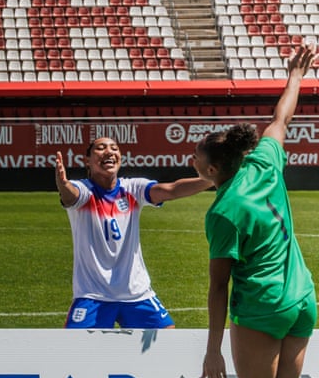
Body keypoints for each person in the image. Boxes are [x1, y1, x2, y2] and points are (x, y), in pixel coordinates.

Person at [198, 44, 317, 378]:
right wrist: (295, 77)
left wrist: (212, 349)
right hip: (302, 298)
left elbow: (218, 288)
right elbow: (281, 118)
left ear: (212, 171)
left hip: (263, 305)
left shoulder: (223, 211)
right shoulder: (264, 161)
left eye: (196, 160)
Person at [54, 137, 212, 329]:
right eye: (101, 148)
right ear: (87, 160)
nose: (109, 151)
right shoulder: (84, 190)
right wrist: (63, 184)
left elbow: (171, 190)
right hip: (93, 294)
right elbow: (70, 196)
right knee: (74, 346)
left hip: (136, 293)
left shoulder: (132, 188)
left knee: (169, 339)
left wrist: (213, 179)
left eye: (114, 148)